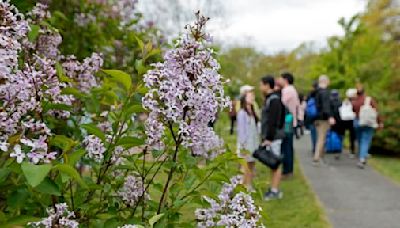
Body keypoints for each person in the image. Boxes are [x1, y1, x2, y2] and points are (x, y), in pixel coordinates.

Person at [259, 76, 285, 200]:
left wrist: (269, 137)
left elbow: (273, 121)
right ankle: (273, 188)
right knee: (272, 164)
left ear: (267, 85)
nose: (260, 88)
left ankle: (274, 190)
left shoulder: (274, 100)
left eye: (261, 85)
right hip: (272, 137)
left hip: (273, 137)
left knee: (275, 163)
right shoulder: (271, 99)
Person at [352, 84, 383, 169]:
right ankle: (362, 158)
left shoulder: (355, 101)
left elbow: (353, 110)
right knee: (365, 140)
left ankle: (360, 154)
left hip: (357, 122)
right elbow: (376, 111)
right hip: (368, 122)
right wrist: (380, 122)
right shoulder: (369, 99)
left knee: (360, 140)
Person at [277, 72, 300, 177]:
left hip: (287, 122)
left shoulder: (287, 91)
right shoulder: (292, 90)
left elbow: (280, 103)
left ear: (285, 80)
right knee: (288, 146)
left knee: (286, 147)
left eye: (280, 79)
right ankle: (288, 170)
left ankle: (287, 171)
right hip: (291, 121)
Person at [237, 91, 260, 191]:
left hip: (253, 142)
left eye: (252, 95)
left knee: (252, 164)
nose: (252, 97)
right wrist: (243, 146)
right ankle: (243, 185)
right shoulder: (242, 113)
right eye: (249, 96)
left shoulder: (253, 111)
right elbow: (241, 131)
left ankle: (249, 184)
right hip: (246, 144)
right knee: (245, 165)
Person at [313, 75, 335, 165]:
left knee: (320, 136)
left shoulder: (316, 92)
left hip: (316, 117)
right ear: (326, 81)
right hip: (323, 118)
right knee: (322, 138)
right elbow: (326, 106)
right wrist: (330, 117)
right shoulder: (325, 92)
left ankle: (321, 156)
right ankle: (317, 157)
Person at [340, 88, 357, 158]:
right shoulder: (352, 102)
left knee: (345, 136)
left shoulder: (345, 102)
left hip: (344, 120)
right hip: (350, 120)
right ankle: (351, 151)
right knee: (351, 137)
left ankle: (341, 149)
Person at [306, 81, 319, 153]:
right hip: (318, 117)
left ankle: (314, 147)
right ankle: (318, 148)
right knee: (318, 134)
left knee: (313, 134)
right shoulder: (320, 94)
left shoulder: (310, 95)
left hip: (311, 118)